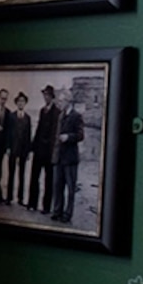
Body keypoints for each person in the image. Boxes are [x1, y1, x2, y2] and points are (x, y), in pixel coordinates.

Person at [52, 93, 87, 223]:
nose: (59, 103)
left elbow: (80, 135)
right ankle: (57, 211)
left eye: (61, 101)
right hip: (59, 158)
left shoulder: (76, 116)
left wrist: (68, 137)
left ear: (68, 101)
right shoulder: (60, 116)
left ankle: (68, 214)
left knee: (71, 188)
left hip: (70, 158)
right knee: (57, 186)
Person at [31, 86, 63, 215]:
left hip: (49, 152)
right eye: (44, 95)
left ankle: (46, 207)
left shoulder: (57, 112)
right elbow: (38, 130)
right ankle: (32, 203)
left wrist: (54, 152)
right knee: (34, 177)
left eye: (48, 95)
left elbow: (55, 132)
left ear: (52, 97)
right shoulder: (42, 111)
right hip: (38, 150)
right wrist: (32, 147)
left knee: (48, 180)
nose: (46, 97)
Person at [5, 91, 35, 205]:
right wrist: (7, 147)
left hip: (23, 150)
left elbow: (28, 135)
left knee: (21, 174)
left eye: (23, 101)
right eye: (19, 101)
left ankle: (20, 198)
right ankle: (9, 197)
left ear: (25, 103)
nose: (21, 103)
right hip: (12, 149)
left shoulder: (28, 118)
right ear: (16, 103)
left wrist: (28, 151)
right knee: (11, 174)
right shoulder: (11, 116)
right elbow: (7, 133)